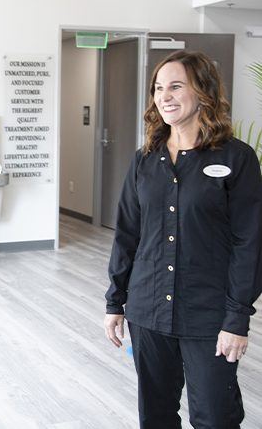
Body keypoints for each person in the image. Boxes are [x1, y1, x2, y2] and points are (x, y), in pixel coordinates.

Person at [103, 50, 262, 428]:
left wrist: (237, 318)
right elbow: (128, 233)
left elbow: (250, 243)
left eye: (176, 86)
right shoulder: (145, 159)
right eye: (159, 88)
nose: (164, 96)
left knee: (216, 417)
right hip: (148, 310)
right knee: (156, 415)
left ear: (203, 91)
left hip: (209, 316)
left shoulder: (237, 158)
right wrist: (115, 301)